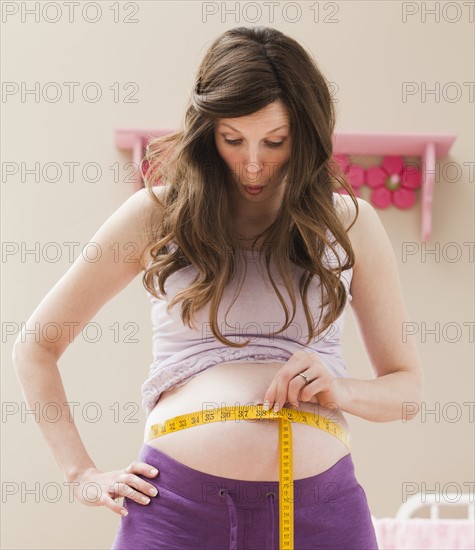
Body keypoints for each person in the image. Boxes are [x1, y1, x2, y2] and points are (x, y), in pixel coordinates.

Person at [13, 26, 424, 550]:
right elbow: (36, 346)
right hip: (176, 511)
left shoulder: (350, 223)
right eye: (233, 139)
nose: (253, 163)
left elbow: (407, 389)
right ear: (207, 130)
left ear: (308, 133)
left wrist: (342, 390)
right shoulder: (157, 214)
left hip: (323, 515)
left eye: (275, 141)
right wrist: (82, 475)